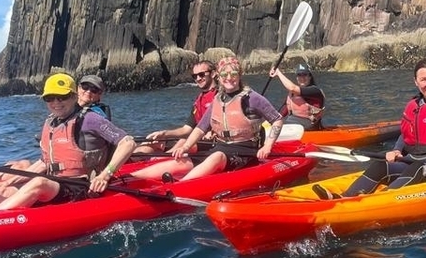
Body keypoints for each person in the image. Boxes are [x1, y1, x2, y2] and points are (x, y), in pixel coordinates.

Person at [0, 73, 136, 217]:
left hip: (81, 186)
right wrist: (17, 178)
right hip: (57, 184)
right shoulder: (51, 122)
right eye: (50, 98)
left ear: (74, 96)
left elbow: (128, 142)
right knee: (6, 190)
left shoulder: (90, 119)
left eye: (62, 97)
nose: (56, 102)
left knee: (39, 183)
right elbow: (44, 161)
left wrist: (105, 174)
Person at [318, 58, 426, 199]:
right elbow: (407, 133)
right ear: (416, 81)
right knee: (381, 165)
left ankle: (379, 200)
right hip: (412, 160)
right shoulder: (415, 105)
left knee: (420, 168)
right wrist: (396, 150)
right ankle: (343, 197)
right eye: (424, 79)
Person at [131, 56, 285, 182]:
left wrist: (267, 146)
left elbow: (277, 119)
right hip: (221, 146)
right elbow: (200, 128)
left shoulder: (252, 98)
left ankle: (180, 185)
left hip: (245, 150)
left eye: (233, 74)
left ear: (239, 75)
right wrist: (185, 147)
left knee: (216, 157)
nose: (229, 78)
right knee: (182, 161)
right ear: (219, 76)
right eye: (225, 74)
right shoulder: (218, 99)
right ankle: (130, 177)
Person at [134, 59, 218, 155]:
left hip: (211, 143)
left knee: (183, 141)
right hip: (195, 139)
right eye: (195, 76)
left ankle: (161, 159)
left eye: (202, 74)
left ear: (213, 74)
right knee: (153, 143)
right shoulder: (198, 101)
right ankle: (130, 160)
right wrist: (164, 134)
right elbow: (186, 130)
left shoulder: (220, 97)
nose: (198, 79)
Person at [268, 63, 325, 130]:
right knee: (270, 123)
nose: (302, 78)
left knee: (277, 125)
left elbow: (292, 88)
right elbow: (283, 112)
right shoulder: (293, 94)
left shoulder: (315, 91)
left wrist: (278, 73)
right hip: (293, 122)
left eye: (305, 75)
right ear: (297, 77)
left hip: (308, 125)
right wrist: (271, 120)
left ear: (310, 77)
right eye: (299, 75)